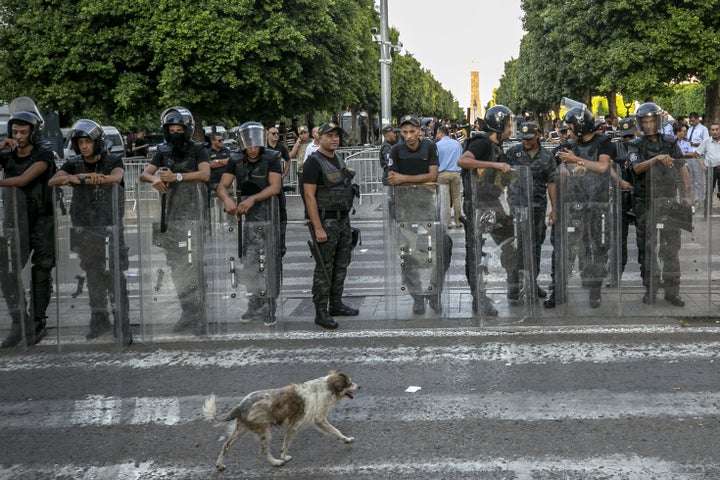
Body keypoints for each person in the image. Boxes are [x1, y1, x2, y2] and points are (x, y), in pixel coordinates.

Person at [48, 119, 132, 345]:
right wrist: (72, 177)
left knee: (116, 274)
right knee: (93, 274)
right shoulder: (74, 163)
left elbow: (117, 177)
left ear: (97, 142)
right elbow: (53, 180)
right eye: (80, 142)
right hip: (84, 226)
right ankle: (99, 318)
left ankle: (122, 322)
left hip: (110, 225)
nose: (84, 146)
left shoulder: (112, 159)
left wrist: (92, 179)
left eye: (87, 141)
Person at [139, 106, 211, 333]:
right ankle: (187, 312)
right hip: (170, 216)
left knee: (195, 266)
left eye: (180, 129)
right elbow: (144, 173)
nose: (176, 133)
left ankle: (200, 315)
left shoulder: (199, 149)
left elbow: (205, 174)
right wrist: (154, 180)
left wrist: (177, 176)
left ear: (187, 130)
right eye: (172, 129)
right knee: (176, 267)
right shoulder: (162, 150)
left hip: (194, 214)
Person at [216, 121, 283, 326]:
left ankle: (270, 304)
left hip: (272, 216)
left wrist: (252, 198)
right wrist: (227, 200)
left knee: (270, 261)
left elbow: (275, 187)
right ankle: (255, 302)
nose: (253, 150)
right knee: (250, 263)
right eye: (249, 145)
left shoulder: (272, 158)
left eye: (256, 145)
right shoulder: (235, 160)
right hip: (248, 219)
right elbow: (222, 186)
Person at [0, 111, 55, 348]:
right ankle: (18, 320)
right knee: (7, 269)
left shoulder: (43, 152)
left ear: (33, 132)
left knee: (40, 270)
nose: (19, 137)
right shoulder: (7, 154)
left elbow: (24, 179)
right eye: (15, 132)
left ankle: (37, 321)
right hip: (14, 219)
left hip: (43, 219)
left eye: (23, 132)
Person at [628, 102, 690, 306]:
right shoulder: (636, 144)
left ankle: (672, 291)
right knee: (647, 248)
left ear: (658, 121)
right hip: (645, 202)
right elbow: (636, 168)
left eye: (651, 121)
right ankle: (651, 288)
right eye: (644, 121)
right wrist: (656, 158)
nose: (648, 125)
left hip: (668, 200)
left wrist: (687, 195)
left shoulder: (670, 141)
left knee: (670, 248)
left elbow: (682, 167)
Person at [388, 114, 451, 315]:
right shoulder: (395, 150)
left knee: (443, 247)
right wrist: (422, 182)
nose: (409, 136)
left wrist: (404, 179)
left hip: (428, 209)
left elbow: (433, 176)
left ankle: (434, 292)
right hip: (404, 210)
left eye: (412, 131)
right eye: (404, 132)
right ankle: (417, 296)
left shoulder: (430, 147)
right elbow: (391, 180)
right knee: (407, 255)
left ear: (419, 131)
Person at [457, 105, 516, 316]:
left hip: (492, 203)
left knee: (510, 240)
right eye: (508, 125)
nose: (511, 129)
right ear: (499, 125)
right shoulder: (482, 142)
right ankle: (479, 297)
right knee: (476, 253)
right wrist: (496, 167)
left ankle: (514, 284)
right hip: (476, 205)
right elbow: (463, 161)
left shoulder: (498, 147)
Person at [552, 107, 613, 308]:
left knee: (599, 247)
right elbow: (560, 172)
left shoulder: (603, 142)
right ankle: (559, 290)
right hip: (575, 203)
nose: (567, 132)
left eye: (570, 128)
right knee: (571, 248)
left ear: (579, 126)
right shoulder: (571, 145)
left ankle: (595, 290)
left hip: (598, 203)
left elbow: (603, 167)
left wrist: (578, 161)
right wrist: (568, 169)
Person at [302, 122, 359, 329]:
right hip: (326, 220)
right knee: (324, 268)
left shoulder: (337, 158)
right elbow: (309, 197)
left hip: (343, 219)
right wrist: (318, 227)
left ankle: (336, 304)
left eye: (337, 136)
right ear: (320, 138)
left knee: (341, 264)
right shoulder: (313, 162)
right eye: (330, 136)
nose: (334, 139)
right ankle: (321, 311)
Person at [504, 122, 556, 299]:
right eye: (523, 138)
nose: (525, 141)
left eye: (529, 138)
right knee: (517, 247)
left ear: (538, 135)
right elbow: (502, 177)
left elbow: (551, 183)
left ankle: (532, 283)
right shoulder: (513, 153)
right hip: (517, 207)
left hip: (538, 208)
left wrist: (554, 209)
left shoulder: (547, 157)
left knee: (535, 246)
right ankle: (514, 284)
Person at [606, 117, 637, 288]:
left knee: (648, 241)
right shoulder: (614, 146)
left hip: (640, 198)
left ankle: (652, 278)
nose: (627, 139)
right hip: (621, 197)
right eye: (624, 136)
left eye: (630, 136)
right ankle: (615, 276)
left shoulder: (641, 146)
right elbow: (608, 166)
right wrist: (619, 181)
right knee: (618, 241)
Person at [265, 125, 289, 255]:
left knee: (282, 211)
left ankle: (281, 244)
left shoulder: (280, 147)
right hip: (265, 183)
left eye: (277, 134)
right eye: (273, 134)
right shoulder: (263, 148)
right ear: (268, 135)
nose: (275, 136)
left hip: (278, 182)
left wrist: (284, 173)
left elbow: (288, 159)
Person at [435, 125, 463, 229]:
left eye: (437, 133)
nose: (436, 135)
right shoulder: (457, 144)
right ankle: (458, 221)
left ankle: (447, 222)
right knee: (456, 198)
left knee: (445, 199)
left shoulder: (437, 145)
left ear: (441, 133)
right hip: (455, 173)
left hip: (442, 174)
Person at [696, 123, 720, 219]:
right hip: (711, 169)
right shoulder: (706, 141)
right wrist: (702, 164)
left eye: (717, 129)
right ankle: (707, 214)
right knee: (709, 191)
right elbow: (696, 153)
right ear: (710, 131)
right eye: (712, 130)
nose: (714, 132)